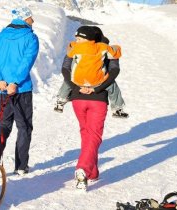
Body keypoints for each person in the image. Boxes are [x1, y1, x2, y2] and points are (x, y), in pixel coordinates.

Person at [60, 26, 122, 189]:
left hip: (78, 98)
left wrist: (75, 87)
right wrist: (96, 89)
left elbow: (65, 69)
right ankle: (83, 168)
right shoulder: (106, 50)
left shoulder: (76, 49)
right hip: (98, 99)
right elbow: (114, 72)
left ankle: (93, 171)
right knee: (94, 135)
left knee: (86, 133)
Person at [0, 6, 39, 175]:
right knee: (24, 127)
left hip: (0, 90)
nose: (33, 20)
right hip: (21, 89)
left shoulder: (0, 37)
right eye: (31, 17)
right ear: (25, 19)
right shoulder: (31, 38)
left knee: (2, 123)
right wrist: (15, 82)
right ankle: (21, 166)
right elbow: (26, 62)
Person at [54, 26, 129, 119]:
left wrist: (75, 87)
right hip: (98, 81)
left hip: (78, 81)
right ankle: (117, 109)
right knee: (112, 85)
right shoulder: (103, 47)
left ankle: (60, 100)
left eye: (78, 39)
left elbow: (66, 65)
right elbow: (114, 67)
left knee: (68, 79)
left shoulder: (76, 47)